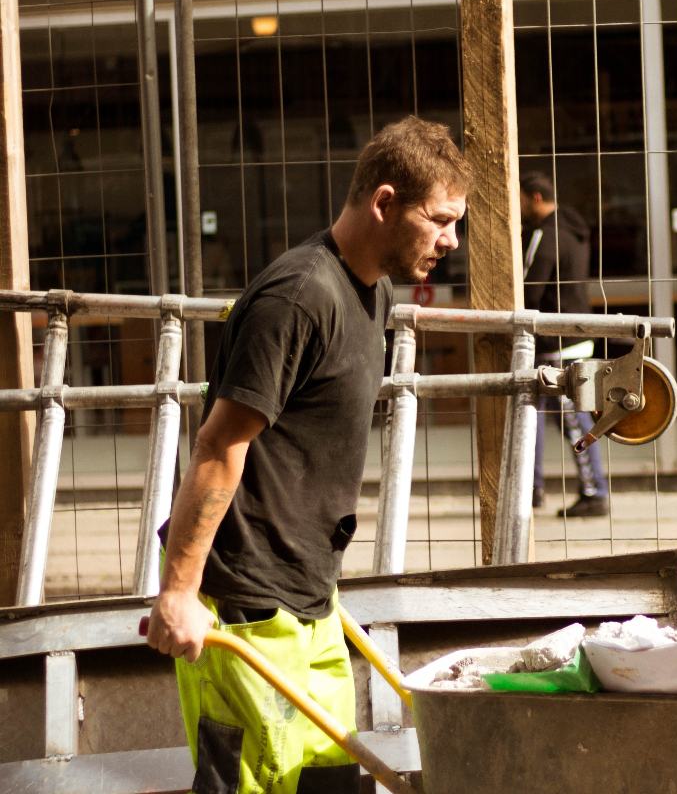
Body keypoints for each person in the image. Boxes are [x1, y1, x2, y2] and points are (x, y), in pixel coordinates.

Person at [145, 116, 473, 794]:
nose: (452, 239)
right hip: (244, 602)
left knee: (330, 783)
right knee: (256, 783)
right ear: (384, 203)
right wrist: (178, 591)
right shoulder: (297, 297)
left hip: (313, 600)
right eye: (439, 219)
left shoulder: (371, 293)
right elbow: (218, 443)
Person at [520, 170, 609, 518]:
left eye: (522, 199)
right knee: (534, 411)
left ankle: (594, 491)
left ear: (536, 198)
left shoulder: (546, 234)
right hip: (573, 334)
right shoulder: (574, 234)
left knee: (573, 416)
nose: (520, 206)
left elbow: (529, 288)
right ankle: (531, 488)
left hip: (556, 340)